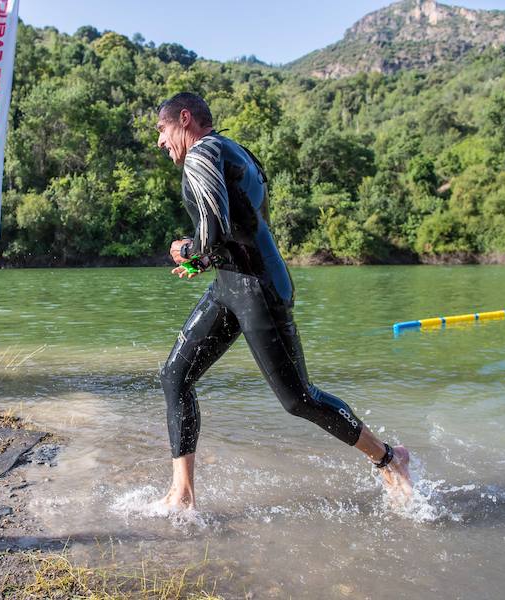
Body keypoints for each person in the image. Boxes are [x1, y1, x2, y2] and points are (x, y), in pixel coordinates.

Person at [155, 92, 412, 510]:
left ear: (185, 119)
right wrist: (205, 260)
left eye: (162, 130)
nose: (161, 142)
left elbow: (214, 231)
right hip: (231, 285)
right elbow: (238, 228)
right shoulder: (234, 151)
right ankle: (182, 494)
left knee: (299, 399)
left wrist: (186, 249)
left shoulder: (201, 154)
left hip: (259, 288)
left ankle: (389, 458)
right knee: (175, 375)